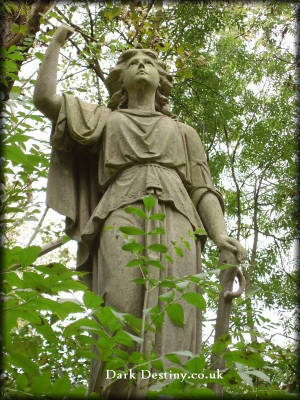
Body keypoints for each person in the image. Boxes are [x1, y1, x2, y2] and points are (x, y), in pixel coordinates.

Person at [33, 25, 247, 398]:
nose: (142, 64)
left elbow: (202, 189)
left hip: (178, 216)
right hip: (121, 210)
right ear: (121, 79)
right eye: (133, 61)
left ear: (161, 78)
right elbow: (45, 99)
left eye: (150, 60)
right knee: (119, 302)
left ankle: (171, 390)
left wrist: (219, 234)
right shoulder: (104, 120)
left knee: (177, 305)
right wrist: (53, 44)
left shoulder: (183, 132)